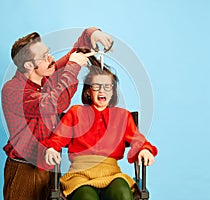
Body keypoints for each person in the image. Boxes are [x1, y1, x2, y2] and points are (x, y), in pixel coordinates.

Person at [1, 27, 113, 200]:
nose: (51, 58)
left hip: (49, 168)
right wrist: (74, 66)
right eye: (44, 57)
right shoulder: (13, 90)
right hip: (24, 170)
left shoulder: (45, 77)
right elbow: (54, 103)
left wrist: (93, 34)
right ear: (29, 65)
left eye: (48, 52)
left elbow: (72, 55)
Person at [42, 57, 158, 200]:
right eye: (96, 86)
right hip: (80, 175)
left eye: (107, 87)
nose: (102, 90)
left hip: (111, 173)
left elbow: (138, 140)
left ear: (112, 92)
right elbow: (58, 138)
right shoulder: (76, 112)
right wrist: (52, 148)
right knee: (86, 197)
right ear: (89, 91)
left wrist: (145, 149)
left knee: (122, 191)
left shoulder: (122, 116)